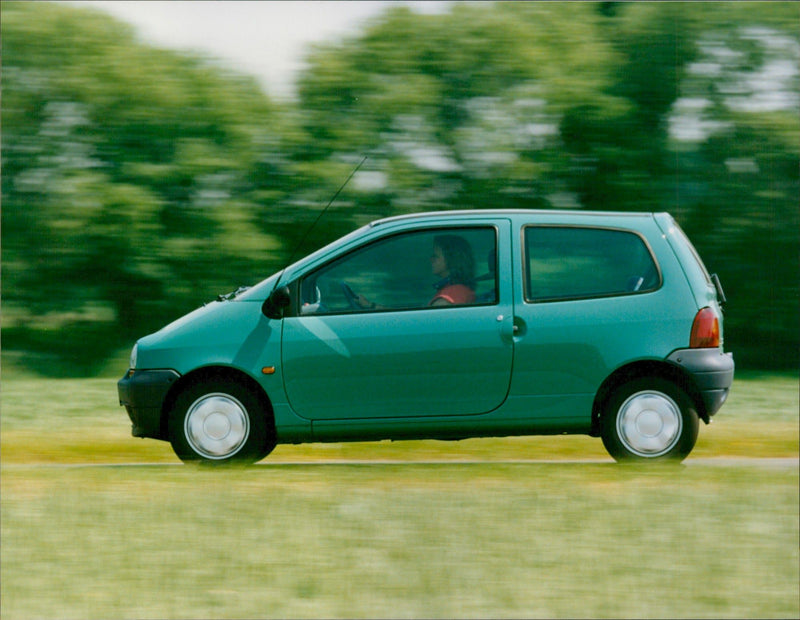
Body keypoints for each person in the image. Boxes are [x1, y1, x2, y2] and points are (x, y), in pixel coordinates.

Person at [356, 234, 476, 309]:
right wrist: (371, 306)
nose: (431, 259)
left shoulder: (448, 298)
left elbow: (415, 326)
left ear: (452, 259)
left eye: (435, 255)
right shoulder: (457, 289)